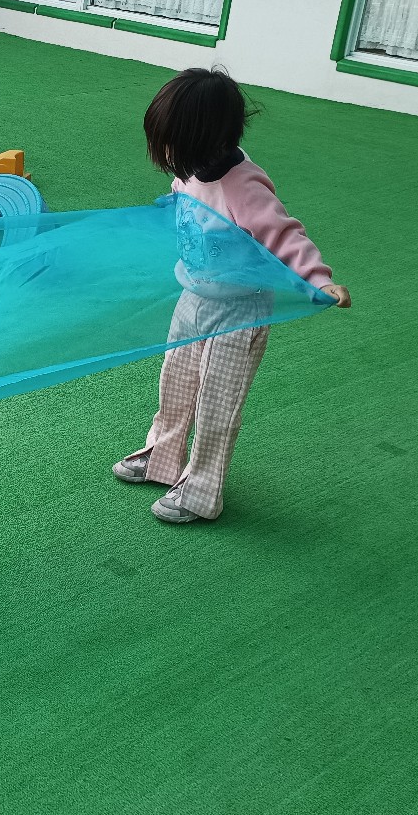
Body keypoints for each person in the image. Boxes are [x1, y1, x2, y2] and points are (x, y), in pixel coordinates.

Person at [115, 68, 351, 523]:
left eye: (173, 144)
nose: (166, 154)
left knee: (216, 404)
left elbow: (284, 235)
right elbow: (184, 198)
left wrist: (318, 280)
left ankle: (201, 492)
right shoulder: (191, 171)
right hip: (194, 297)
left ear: (206, 139)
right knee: (176, 382)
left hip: (240, 310)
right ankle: (163, 458)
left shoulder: (244, 187)